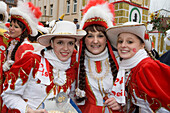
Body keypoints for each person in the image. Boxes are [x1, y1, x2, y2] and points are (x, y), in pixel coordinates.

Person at [1, 20, 86, 113]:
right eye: (60, 42)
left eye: (70, 43)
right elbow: (8, 94)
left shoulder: (73, 66)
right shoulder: (32, 61)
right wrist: (28, 110)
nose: (66, 48)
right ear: (52, 43)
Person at [106, 22, 170, 112]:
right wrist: (121, 105)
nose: (123, 45)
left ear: (142, 45)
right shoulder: (131, 67)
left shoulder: (146, 67)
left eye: (130, 42)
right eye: (120, 41)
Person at [75, 0, 121, 112]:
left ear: (107, 39)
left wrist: (122, 102)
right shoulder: (75, 61)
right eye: (90, 36)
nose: (95, 41)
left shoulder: (120, 60)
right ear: (83, 40)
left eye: (100, 36)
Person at [2, 1, 42, 72]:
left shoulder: (25, 47)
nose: (11, 28)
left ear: (23, 30)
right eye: (11, 25)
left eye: (16, 27)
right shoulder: (12, 42)